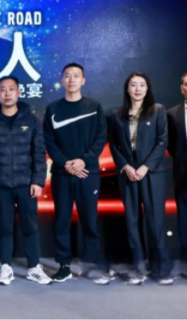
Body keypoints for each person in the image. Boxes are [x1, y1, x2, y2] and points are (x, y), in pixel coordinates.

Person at [0, 76, 52, 286]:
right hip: (1, 186)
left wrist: (38, 181)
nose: (7, 93)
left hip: (26, 185)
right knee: (5, 227)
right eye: (3, 90)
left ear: (19, 92)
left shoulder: (32, 121)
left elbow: (39, 153)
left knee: (30, 227)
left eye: (11, 89)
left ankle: (34, 268)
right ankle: (6, 268)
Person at [43, 63, 110, 284]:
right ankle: (64, 265)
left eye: (76, 76)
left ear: (83, 81)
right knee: (62, 221)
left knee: (89, 220)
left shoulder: (94, 106)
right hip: (62, 174)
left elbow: (100, 138)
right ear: (62, 81)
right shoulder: (53, 108)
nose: (72, 79)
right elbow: (49, 142)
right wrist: (66, 164)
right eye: (68, 76)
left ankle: (91, 264)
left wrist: (83, 161)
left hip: (87, 173)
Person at [109, 72, 172, 285]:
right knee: (132, 221)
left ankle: (160, 268)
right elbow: (113, 145)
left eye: (142, 85)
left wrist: (145, 167)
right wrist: (125, 166)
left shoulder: (158, 110)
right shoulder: (117, 114)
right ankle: (138, 267)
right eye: (133, 85)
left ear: (147, 88)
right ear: (127, 89)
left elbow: (162, 141)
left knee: (155, 222)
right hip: (128, 173)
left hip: (152, 173)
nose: (137, 89)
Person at [167, 71, 187, 278]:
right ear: (182, 88)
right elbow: (172, 146)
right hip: (183, 175)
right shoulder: (172, 114)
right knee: (184, 221)